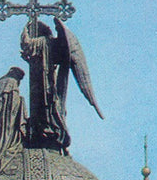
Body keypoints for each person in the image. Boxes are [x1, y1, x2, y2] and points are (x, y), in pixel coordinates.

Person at [20, 18, 103, 149]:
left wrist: (26, 28)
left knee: (46, 105)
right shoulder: (49, 43)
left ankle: (44, 129)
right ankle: (46, 128)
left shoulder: (44, 42)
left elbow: (27, 43)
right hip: (46, 84)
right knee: (49, 107)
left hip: (45, 85)